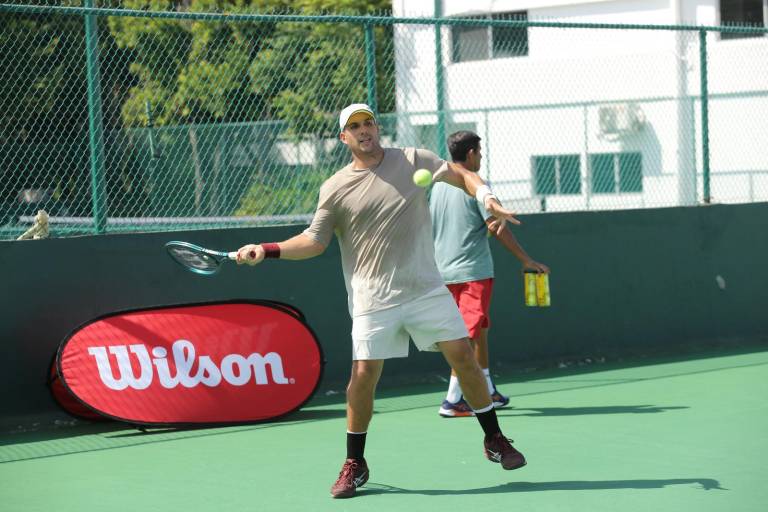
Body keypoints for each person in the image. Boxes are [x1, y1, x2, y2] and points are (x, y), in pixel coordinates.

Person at [236, 104, 527, 499]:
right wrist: (267, 249)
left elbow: (460, 174)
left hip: (424, 286)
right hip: (373, 295)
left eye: (368, 122)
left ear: (376, 127)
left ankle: (494, 438)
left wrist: (486, 195)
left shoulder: (412, 160)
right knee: (363, 375)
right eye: (354, 127)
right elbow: (314, 241)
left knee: (463, 355)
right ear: (344, 138)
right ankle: (355, 462)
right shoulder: (335, 187)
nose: (363, 130)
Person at [430, 131, 549, 418]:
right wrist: (526, 260)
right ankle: (453, 400)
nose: (481, 157)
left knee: (479, 329)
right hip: (472, 273)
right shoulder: (477, 186)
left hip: (444, 273)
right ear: (470, 153)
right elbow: (498, 228)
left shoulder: (438, 186)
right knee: (465, 337)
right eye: (479, 153)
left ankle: (487, 389)